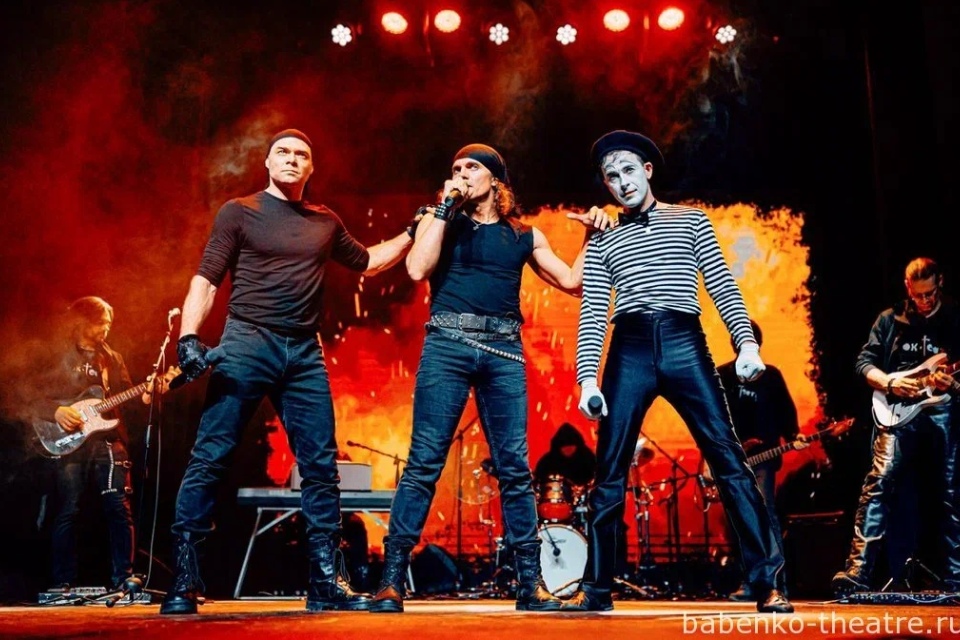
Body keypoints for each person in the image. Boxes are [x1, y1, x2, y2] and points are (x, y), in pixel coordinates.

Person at [160, 129, 414, 615]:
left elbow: (368, 262)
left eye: (302, 154)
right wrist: (188, 336)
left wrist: (415, 230)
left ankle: (326, 583)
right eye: (283, 152)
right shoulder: (239, 211)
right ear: (268, 162)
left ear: (311, 168)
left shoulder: (324, 220)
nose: (292, 159)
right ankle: (185, 580)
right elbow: (207, 278)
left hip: (303, 353)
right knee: (210, 455)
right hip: (246, 342)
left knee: (320, 467)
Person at [368, 143, 615, 613]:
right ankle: (392, 580)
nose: (461, 173)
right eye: (455, 168)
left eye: (471, 167)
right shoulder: (440, 220)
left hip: (503, 352)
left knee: (515, 469)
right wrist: (443, 207)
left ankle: (530, 584)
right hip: (447, 346)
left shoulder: (523, 235)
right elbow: (417, 268)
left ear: (495, 180)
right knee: (424, 462)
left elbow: (572, 281)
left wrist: (592, 236)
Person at [566, 130, 792, 613]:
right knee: (609, 469)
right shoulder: (603, 236)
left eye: (629, 170)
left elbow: (722, 284)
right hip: (629, 346)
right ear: (606, 184)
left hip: (683, 340)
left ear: (648, 170)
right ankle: (596, 589)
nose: (622, 182)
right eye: (611, 176)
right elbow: (593, 310)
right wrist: (586, 378)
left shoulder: (691, 220)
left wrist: (746, 342)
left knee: (728, 459)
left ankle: (767, 584)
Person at [831, 257, 960, 596]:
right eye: (918, 295)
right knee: (877, 484)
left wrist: (953, 384)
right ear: (907, 288)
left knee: (951, 490)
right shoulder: (890, 319)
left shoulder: (953, 317)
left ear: (940, 283)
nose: (925, 301)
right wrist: (889, 382)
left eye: (930, 294)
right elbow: (863, 363)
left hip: (941, 411)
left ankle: (957, 577)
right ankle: (857, 572)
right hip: (895, 411)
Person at [27, 296, 157, 591]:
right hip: (68, 440)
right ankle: (62, 581)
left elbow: (128, 395)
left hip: (108, 439)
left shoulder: (112, 358)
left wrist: (148, 392)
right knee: (69, 508)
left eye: (109, 324)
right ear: (81, 322)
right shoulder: (55, 354)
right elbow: (27, 395)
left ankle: (124, 579)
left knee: (118, 506)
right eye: (101, 323)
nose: (106, 329)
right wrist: (55, 411)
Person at [717, 319, 803, 601]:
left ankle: (775, 583)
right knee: (739, 519)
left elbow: (786, 412)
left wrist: (794, 435)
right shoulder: (723, 375)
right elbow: (712, 417)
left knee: (765, 514)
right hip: (733, 460)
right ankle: (751, 582)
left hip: (763, 459)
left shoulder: (771, 377)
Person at [533, 422, 597, 488]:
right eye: (565, 447)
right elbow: (537, 483)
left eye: (571, 446)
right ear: (558, 448)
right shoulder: (547, 463)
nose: (568, 449)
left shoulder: (588, 458)